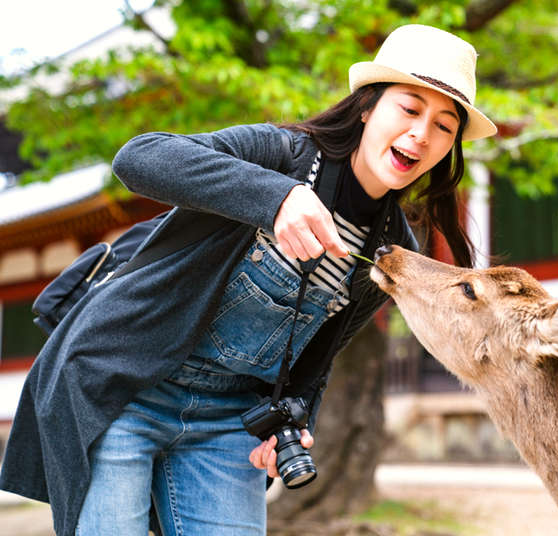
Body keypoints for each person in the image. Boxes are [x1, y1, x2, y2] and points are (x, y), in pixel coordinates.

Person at [0, 24, 497, 536]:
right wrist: (275, 197)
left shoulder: (391, 251)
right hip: (124, 384)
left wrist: (294, 421)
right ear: (368, 107)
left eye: (444, 125)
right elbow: (139, 158)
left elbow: (316, 355)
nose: (422, 134)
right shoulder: (281, 153)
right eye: (410, 109)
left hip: (229, 422)